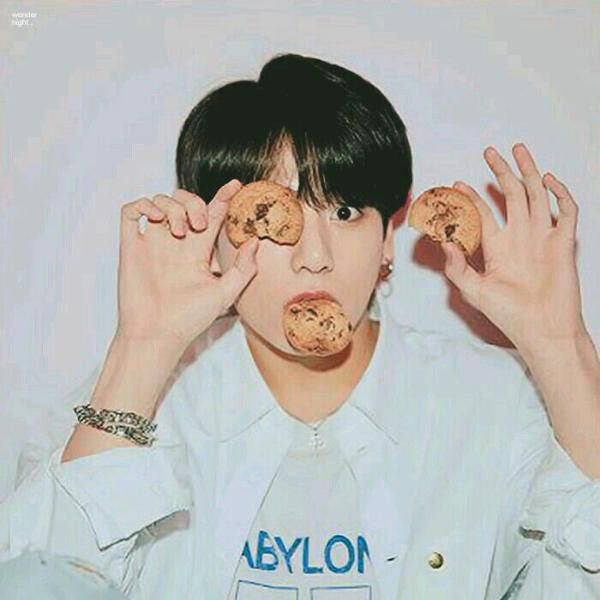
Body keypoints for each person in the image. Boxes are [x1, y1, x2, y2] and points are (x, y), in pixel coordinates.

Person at [1, 52, 599, 599]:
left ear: (387, 235)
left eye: (345, 210)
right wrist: (141, 349)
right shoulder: (137, 405)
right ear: (214, 235)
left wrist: (561, 348)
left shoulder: (497, 405)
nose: (314, 255)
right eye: (270, 217)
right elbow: (34, 580)